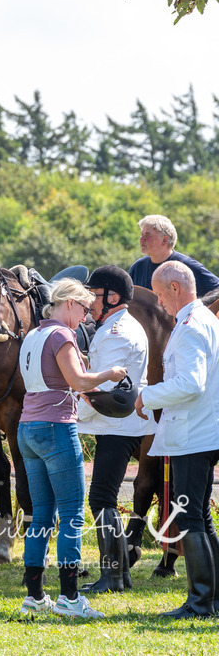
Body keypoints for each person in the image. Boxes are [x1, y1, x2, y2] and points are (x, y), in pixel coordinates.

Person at [16, 278, 126, 619]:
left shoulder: (33, 335)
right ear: (67, 304)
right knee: (72, 516)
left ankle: (34, 595)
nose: (86, 315)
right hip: (56, 427)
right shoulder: (62, 335)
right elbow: (77, 381)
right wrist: (110, 373)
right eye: (83, 308)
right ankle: (70, 597)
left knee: (42, 517)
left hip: (27, 427)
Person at [134, 261, 219, 618]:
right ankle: (212, 598)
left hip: (193, 435)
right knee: (201, 516)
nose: (158, 301)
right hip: (201, 431)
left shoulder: (190, 325)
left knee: (190, 519)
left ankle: (200, 602)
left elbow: (190, 383)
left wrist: (147, 397)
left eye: (158, 292)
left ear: (174, 288)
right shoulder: (205, 320)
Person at [75, 266, 150, 594]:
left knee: (102, 497)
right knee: (103, 496)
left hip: (118, 423)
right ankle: (120, 575)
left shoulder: (118, 332)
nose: (89, 301)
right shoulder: (113, 326)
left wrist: (72, 398)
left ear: (113, 297)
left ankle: (112, 577)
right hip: (117, 423)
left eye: (94, 294)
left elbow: (102, 387)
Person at [128, 214, 219, 296]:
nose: (141, 239)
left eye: (147, 235)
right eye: (142, 234)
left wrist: (200, 311)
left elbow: (217, 291)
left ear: (164, 240)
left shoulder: (186, 266)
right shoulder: (137, 268)